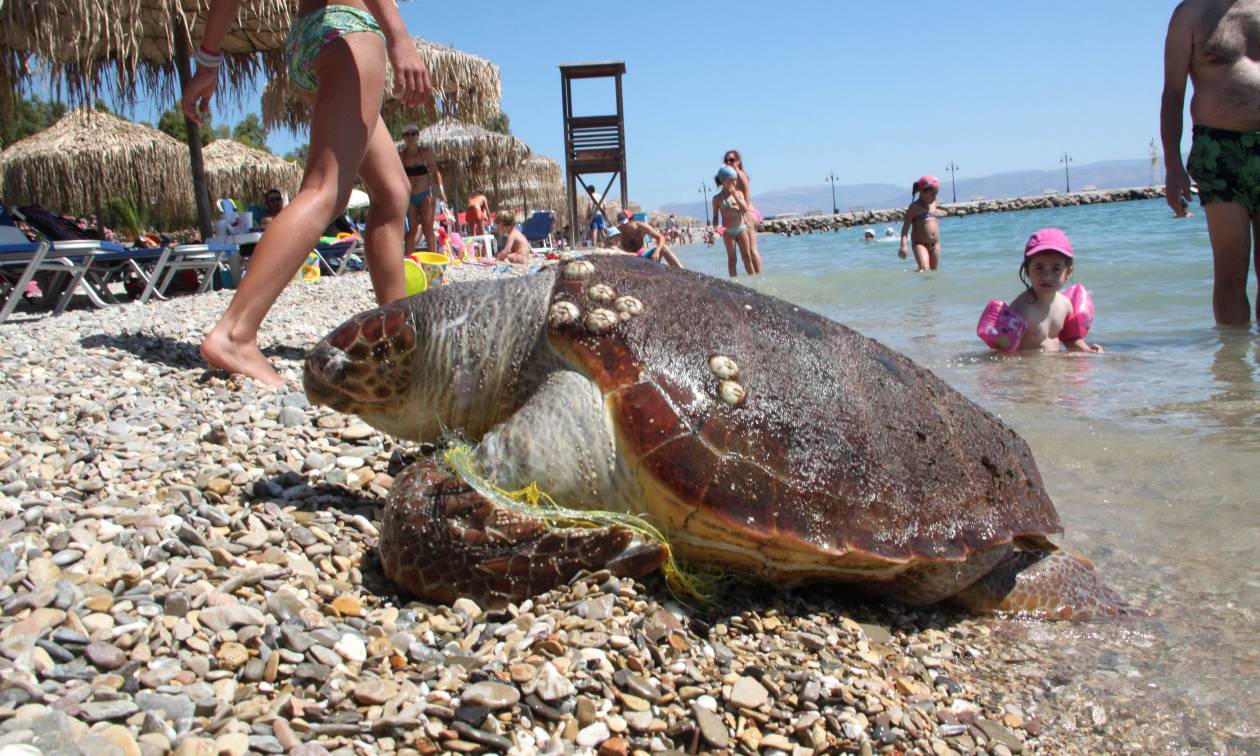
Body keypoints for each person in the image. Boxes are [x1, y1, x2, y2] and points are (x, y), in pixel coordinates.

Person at [182, 0, 430, 386]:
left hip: (308, 37)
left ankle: (395, 339)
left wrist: (208, 62)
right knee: (326, 189)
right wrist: (400, 38)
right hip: (350, 32)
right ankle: (235, 333)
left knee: (393, 192)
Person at [1163, 0, 1260, 325]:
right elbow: (1173, 94)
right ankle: (1235, 373)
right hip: (1219, 150)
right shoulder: (1190, 14)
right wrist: (1173, 165)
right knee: (1231, 274)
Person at [1009, 228, 1103, 353]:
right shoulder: (1019, 309)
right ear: (1027, 270)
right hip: (1029, 369)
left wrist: (1087, 350)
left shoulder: (1065, 305)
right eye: (1039, 268)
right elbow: (1003, 349)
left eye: (1056, 268)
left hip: (1056, 367)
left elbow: (1070, 340)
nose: (1047, 276)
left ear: (1068, 272)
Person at [398, 124, 444, 254]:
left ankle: (433, 262)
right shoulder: (401, 156)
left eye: (413, 134)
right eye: (407, 134)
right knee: (411, 231)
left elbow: (435, 173)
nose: (411, 137)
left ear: (418, 136)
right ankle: (410, 262)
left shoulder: (425, 153)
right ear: (404, 138)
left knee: (428, 229)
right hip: (410, 197)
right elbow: (396, 176)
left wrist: (440, 190)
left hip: (425, 194)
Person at [712, 166, 759, 277]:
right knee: (732, 258)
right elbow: (715, 217)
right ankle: (734, 282)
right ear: (723, 180)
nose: (734, 182)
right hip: (728, 231)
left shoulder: (739, 194)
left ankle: (753, 279)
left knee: (747, 256)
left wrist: (734, 195)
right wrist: (716, 228)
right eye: (731, 179)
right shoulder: (717, 198)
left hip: (741, 228)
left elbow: (744, 209)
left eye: (735, 179)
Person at [723, 150, 764, 269]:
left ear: (738, 161)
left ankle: (760, 278)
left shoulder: (739, 174)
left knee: (752, 250)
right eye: (726, 160)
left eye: (731, 160)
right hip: (744, 213)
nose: (729, 162)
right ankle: (755, 279)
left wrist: (745, 216)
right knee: (746, 254)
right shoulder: (729, 177)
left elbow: (747, 196)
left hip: (749, 213)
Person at [898, 176, 942, 272]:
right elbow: (905, 227)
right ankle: (911, 277)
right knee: (924, 269)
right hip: (920, 244)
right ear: (922, 192)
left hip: (935, 245)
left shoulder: (933, 203)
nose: (934, 197)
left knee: (933, 272)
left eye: (936, 194)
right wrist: (903, 245)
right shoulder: (914, 207)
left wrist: (940, 214)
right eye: (932, 194)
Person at [613, 211, 684, 268]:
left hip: (643, 257)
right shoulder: (618, 230)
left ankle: (682, 272)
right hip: (628, 260)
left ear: (632, 220)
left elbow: (661, 237)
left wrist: (657, 251)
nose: (623, 226)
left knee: (664, 248)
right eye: (621, 224)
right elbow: (606, 244)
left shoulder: (641, 227)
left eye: (625, 223)